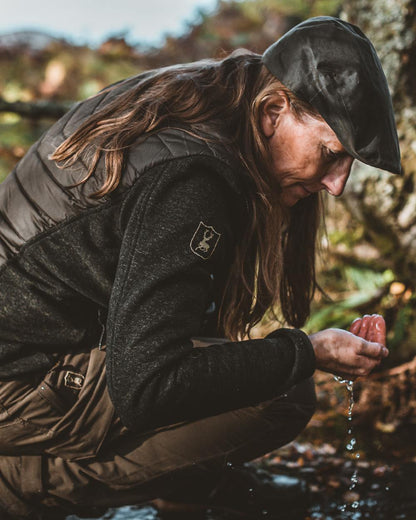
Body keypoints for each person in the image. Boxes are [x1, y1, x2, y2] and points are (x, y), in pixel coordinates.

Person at [0, 15, 399, 519]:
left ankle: (191, 487)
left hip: (31, 353)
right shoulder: (193, 178)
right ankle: (21, 484)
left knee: (213, 356)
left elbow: (173, 311)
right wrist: (310, 351)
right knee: (284, 391)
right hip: (14, 379)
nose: (337, 184)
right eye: (330, 153)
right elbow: (148, 386)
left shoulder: (209, 102)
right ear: (276, 109)